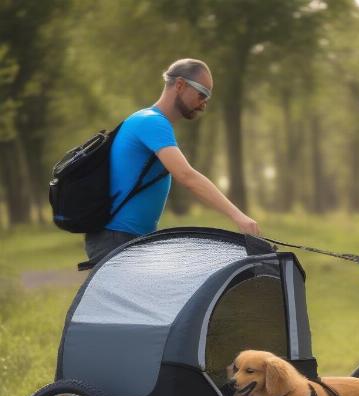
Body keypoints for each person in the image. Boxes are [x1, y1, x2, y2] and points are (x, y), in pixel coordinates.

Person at [84, 58, 259, 263]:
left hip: (129, 239)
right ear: (180, 85)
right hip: (115, 238)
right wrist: (239, 217)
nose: (204, 105)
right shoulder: (152, 122)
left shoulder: (148, 121)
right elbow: (186, 176)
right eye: (202, 94)